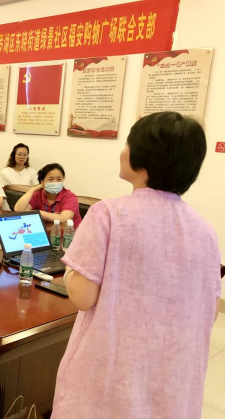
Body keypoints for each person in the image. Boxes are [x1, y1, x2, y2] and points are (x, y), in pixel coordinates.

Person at [51, 112, 221, 419]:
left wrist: (70, 274)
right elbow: (207, 310)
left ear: (144, 157)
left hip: (109, 378)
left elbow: (82, 296)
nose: (123, 150)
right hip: (171, 380)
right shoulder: (206, 232)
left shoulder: (108, 215)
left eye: (128, 143)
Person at [14, 163, 82, 227]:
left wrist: (37, 212)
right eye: (51, 179)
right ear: (42, 182)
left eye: (59, 179)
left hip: (70, 233)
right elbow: (18, 210)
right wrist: (33, 189)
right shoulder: (38, 194)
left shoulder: (70, 196)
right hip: (46, 231)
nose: (55, 182)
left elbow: (63, 218)